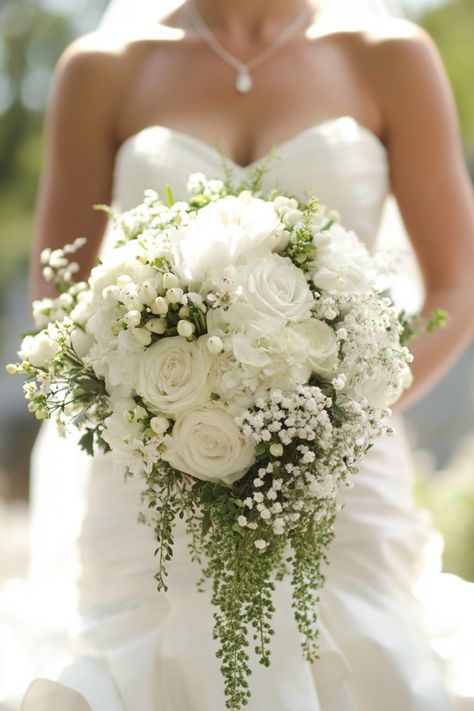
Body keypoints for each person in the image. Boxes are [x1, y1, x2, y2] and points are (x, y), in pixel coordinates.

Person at [2, 0, 474, 709]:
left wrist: (334, 419)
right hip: (148, 476)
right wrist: (156, 413)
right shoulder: (101, 68)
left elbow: (456, 286)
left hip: (344, 469)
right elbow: (55, 294)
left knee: (365, 650)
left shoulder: (390, 56)